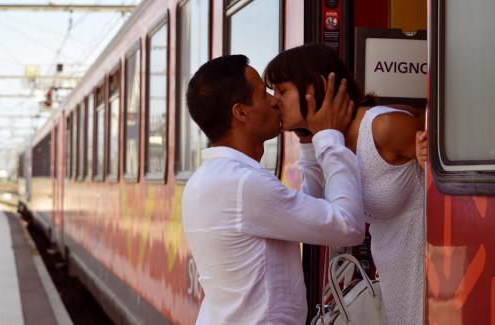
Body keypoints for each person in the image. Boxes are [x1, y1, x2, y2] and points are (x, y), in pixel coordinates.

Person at [182, 54, 365, 325]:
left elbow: (307, 217)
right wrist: (329, 137)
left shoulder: (209, 179)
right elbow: (346, 225)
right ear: (241, 112)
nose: (274, 100)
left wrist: (308, 140)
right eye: (263, 93)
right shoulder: (242, 185)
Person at [264, 43, 425, 325]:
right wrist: (308, 140)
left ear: (312, 87)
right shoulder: (332, 142)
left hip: (427, 272)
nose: (274, 101)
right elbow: (315, 213)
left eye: (282, 90)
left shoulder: (382, 128)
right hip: (394, 276)